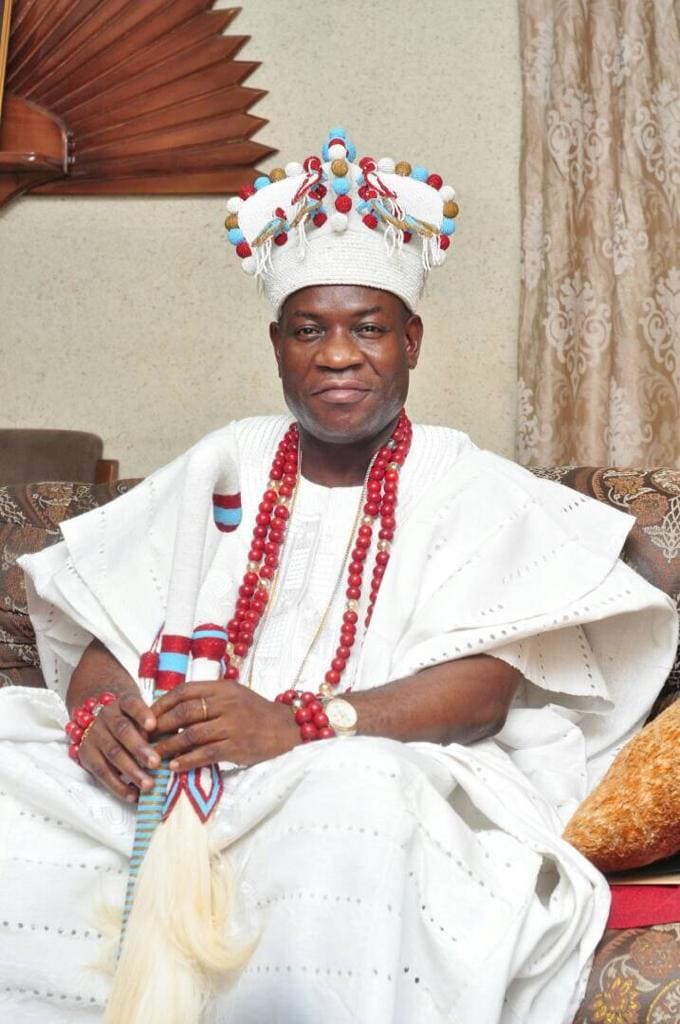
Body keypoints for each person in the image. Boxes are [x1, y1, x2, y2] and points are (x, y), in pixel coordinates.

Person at [0, 129, 676, 1024]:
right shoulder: (226, 460)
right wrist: (101, 717)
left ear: (412, 340)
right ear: (277, 344)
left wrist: (298, 725)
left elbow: (480, 695)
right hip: (182, 776)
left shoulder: (464, 480)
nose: (338, 355)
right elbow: (104, 617)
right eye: (309, 330)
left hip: (377, 764)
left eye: (368, 328)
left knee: (353, 791)